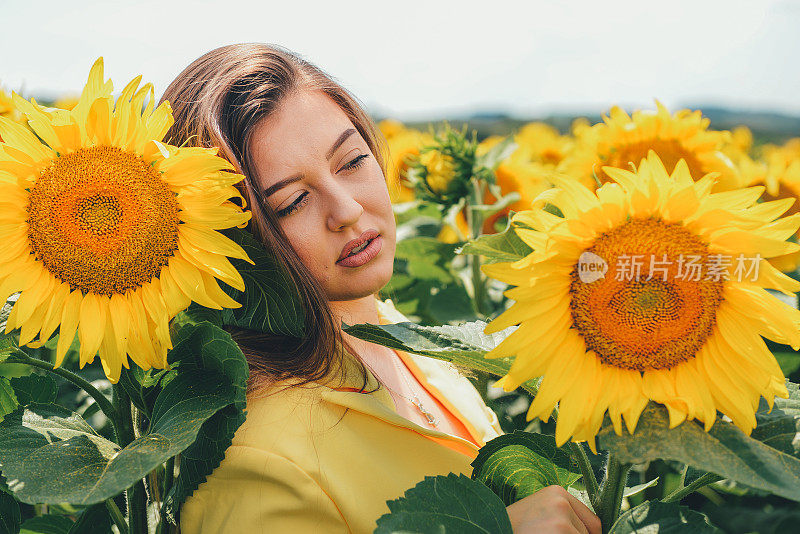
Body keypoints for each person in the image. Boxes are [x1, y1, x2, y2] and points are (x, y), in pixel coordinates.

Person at [161, 43, 601, 534]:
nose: (346, 209)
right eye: (292, 202)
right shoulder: (256, 462)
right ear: (224, 238)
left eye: (351, 161)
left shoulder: (402, 339)